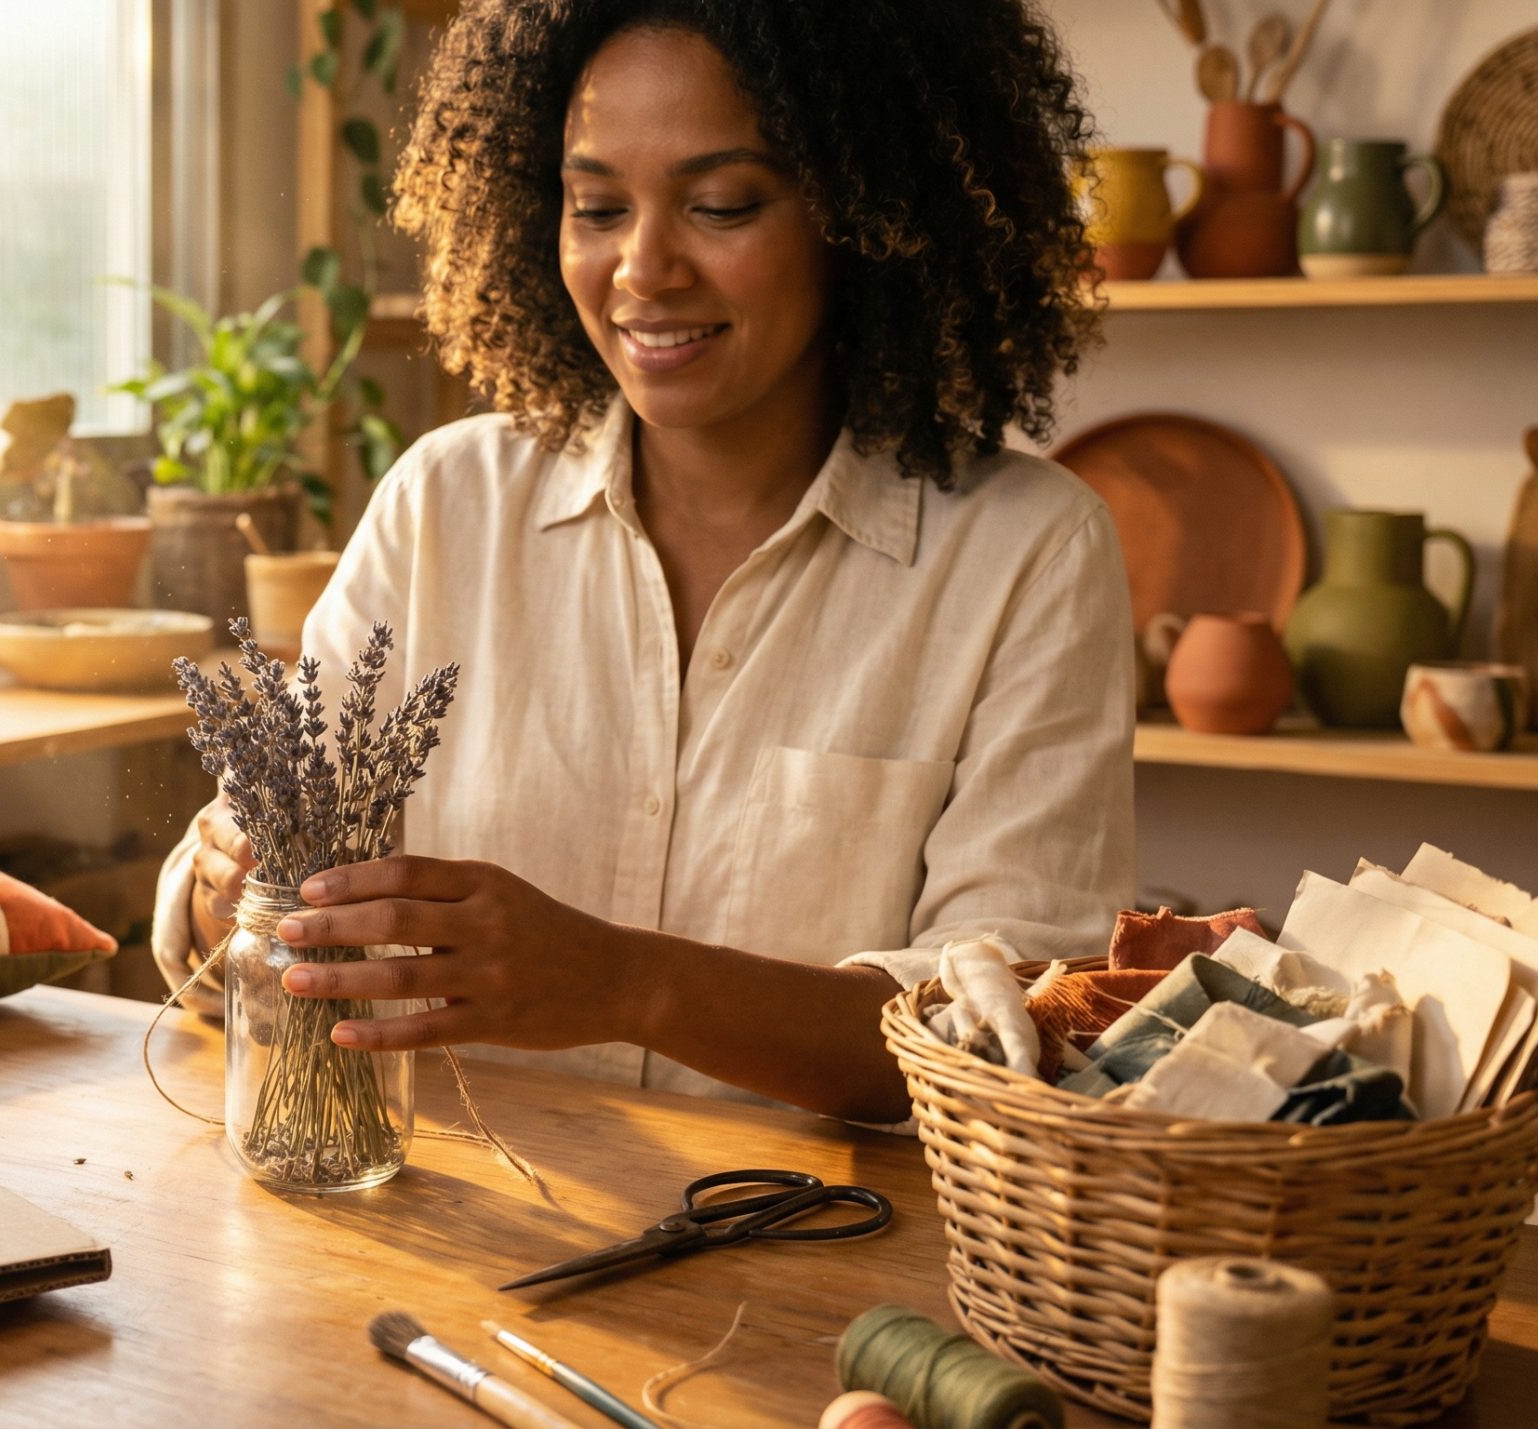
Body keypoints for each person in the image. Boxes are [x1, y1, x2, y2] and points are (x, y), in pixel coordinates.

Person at [151, 0, 1130, 1124]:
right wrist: (227, 893)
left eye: (720, 205)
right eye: (598, 207)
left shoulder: (1027, 554)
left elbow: (1014, 1035)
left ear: (865, 215)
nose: (642, 268)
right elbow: (222, 941)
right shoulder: (444, 504)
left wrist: (626, 983)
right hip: (443, 1236)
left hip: (818, 1257)